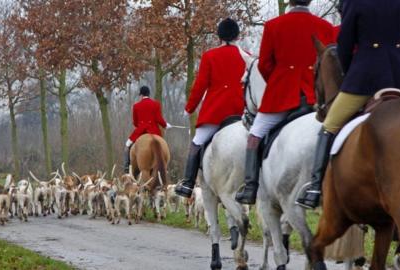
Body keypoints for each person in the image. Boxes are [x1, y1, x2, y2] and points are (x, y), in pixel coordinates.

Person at [296, 0, 400, 209]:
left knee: (329, 125)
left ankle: (315, 188)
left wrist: (349, 74)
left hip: (365, 78)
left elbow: (344, 45)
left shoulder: (355, 2)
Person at [235, 0, 335, 204]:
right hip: (316, 95)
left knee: (255, 134)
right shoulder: (326, 26)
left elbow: (264, 65)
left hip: (282, 95)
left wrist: (280, 80)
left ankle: (251, 187)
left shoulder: (273, 25)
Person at [175, 18, 248, 198]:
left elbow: (200, 85)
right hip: (241, 111)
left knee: (197, 143)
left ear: (219, 36)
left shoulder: (210, 56)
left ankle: (188, 183)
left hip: (216, 113)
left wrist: (189, 108)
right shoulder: (247, 55)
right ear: (237, 36)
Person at [123, 86, 170, 173]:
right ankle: (165, 167)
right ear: (149, 94)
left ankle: (126, 167)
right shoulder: (156, 104)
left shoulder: (136, 106)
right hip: (155, 131)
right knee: (163, 145)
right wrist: (166, 125)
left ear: (141, 95)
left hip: (140, 132)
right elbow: (159, 119)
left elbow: (135, 123)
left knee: (127, 146)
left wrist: (141, 125)